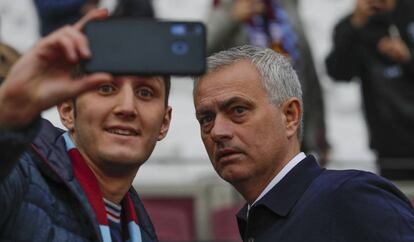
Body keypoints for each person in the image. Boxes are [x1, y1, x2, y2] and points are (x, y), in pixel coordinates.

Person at [192, 45, 414, 242]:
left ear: (290, 116)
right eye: (206, 119)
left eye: (238, 110)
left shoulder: (351, 197)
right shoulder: (256, 218)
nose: (217, 132)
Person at [0, 9, 171, 242]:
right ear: (67, 110)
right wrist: (7, 116)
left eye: (145, 92)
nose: (127, 107)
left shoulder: (144, 231)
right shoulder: (17, 173)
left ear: (164, 122)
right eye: (106, 88)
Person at [207, 0, 330, 165]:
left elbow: (309, 75)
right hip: (246, 133)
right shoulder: (227, 7)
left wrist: (319, 136)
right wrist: (231, 18)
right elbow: (200, 52)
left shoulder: (286, 8)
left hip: (293, 128)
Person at [326, 0, 414, 179]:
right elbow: (339, 72)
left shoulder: (409, 13)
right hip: (389, 142)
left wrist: (408, 59)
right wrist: (355, 25)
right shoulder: (352, 25)